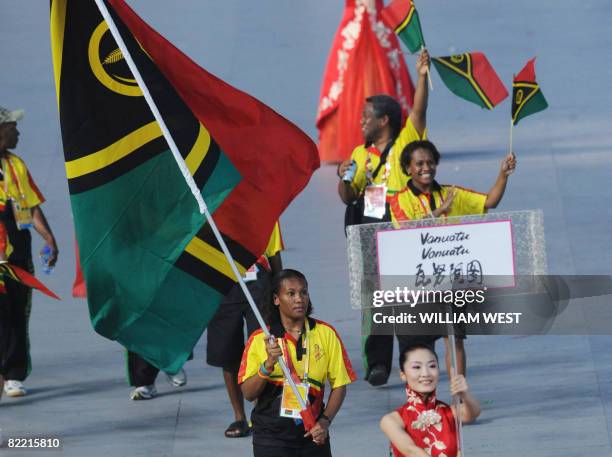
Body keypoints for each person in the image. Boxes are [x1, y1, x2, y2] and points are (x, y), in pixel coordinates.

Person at [336, 51, 430, 386]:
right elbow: (349, 196)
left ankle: (412, 359)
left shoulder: (406, 140)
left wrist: (421, 76)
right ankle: (377, 363)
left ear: (384, 121)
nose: (361, 122)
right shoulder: (360, 154)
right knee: (374, 300)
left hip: (402, 235)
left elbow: (418, 112)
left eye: (366, 117)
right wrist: (344, 178)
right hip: (370, 237)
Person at [389, 140, 517, 376]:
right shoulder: (399, 200)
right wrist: (438, 213)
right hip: (417, 287)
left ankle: (459, 396)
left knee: (454, 339)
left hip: (451, 283)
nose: (426, 167)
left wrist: (503, 175)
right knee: (420, 348)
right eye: (419, 163)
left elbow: (489, 201)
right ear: (408, 168)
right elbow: (405, 231)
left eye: (430, 162)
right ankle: (424, 402)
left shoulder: (452, 193)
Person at [238, 269, 356, 457]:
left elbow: (340, 384)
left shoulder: (326, 333)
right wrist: (268, 365)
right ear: (276, 299)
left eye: (304, 292)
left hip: (313, 433)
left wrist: (324, 422)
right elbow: (248, 393)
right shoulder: (261, 339)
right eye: (291, 294)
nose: (299, 298)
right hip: (270, 437)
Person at [0, 106, 58, 398]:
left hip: (18, 255)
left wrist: (49, 238)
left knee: (19, 314)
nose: (18, 132)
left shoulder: (17, 165)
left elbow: (31, 205)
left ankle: (14, 373)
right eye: (13, 127)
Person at [207, 223, 284, 438]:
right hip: (221, 283)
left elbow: (274, 252)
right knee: (227, 353)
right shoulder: (209, 204)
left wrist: (281, 288)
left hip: (258, 284)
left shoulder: (260, 200)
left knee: (262, 348)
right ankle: (239, 416)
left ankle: (260, 415)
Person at [380, 344, 480, 457]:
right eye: (417, 367)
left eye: (432, 366)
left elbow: (473, 413)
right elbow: (411, 450)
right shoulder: (392, 420)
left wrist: (464, 394)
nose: (426, 373)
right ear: (403, 374)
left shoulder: (450, 412)